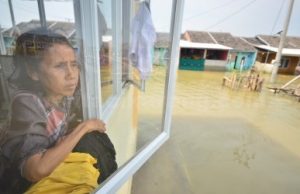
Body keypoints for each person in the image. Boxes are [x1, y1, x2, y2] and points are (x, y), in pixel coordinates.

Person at [0, 28, 107, 193]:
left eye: (74, 64)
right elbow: (36, 170)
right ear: (33, 72)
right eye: (59, 66)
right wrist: (84, 127)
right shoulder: (26, 102)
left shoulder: (62, 95)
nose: (71, 75)